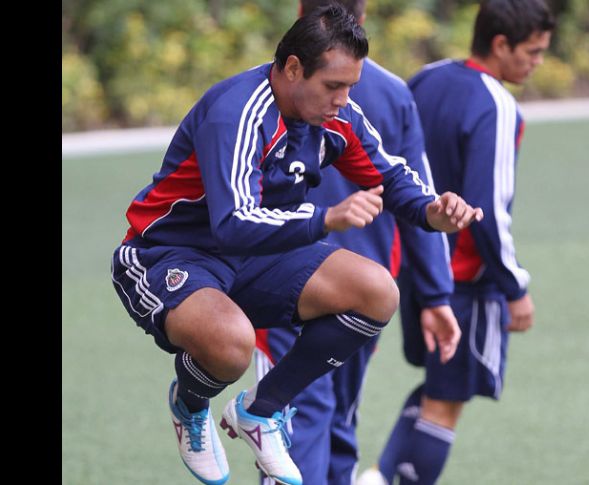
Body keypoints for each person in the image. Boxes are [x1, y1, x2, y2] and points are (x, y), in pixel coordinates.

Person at [109, 6, 483, 485]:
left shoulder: (335, 116)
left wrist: (433, 210)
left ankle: (261, 411)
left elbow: (388, 175)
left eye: (350, 87)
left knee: (377, 291)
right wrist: (325, 218)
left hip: (256, 257)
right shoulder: (237, 113)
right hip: (169, 255)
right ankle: (190, 403)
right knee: (232, 345)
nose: (343, 100)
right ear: (292, 68)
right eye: (333, 86)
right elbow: (234, 223)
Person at [250, 1, 460, 484]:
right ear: (360, 21)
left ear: (301, 15)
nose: (340, 99)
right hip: (365, 290)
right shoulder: (391, 92)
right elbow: (418, 191)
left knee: (293, 419)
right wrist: (436, 295)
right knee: (339, 419)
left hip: (285, 286)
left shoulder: (269, 92)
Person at [357, 1, 555, 484]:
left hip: (413, 266)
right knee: (446, 402)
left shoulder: (427, 78)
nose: (538, 62)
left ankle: (378, 476)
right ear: (501, 44)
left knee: (438, 387)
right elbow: (487, 211)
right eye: (533, 52)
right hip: (464, 279)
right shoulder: (497, 105)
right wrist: (514, 287)